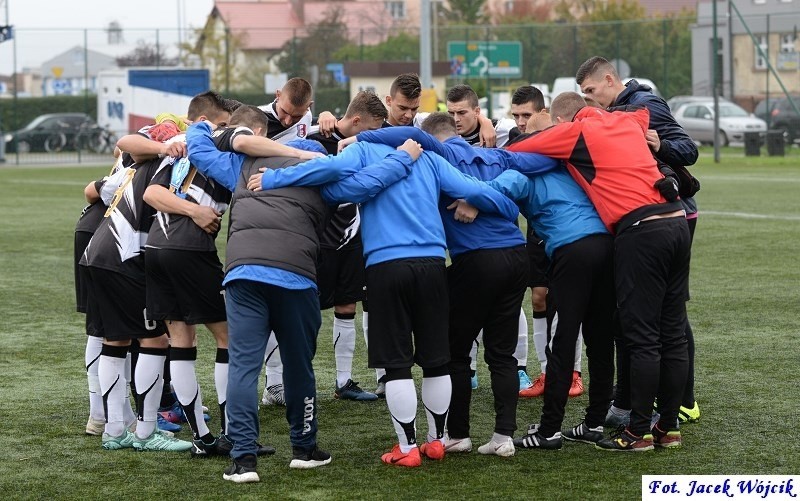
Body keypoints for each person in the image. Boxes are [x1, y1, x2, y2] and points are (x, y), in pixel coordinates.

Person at [251, 133, 520, 467]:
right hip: (433, 264)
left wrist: (275, 177)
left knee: (396, 364)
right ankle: (436, 442)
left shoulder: (363, 151)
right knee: (437, 360)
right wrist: (508, 208)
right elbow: (476, 191)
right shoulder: (430, 157)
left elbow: (328, 173)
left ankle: (407, 448)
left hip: (385, 265)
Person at [353, 112, 558, 457]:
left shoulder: (438, 155)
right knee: (502, 353)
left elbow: (401, 133)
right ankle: (503, 436)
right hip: (515, 256)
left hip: (476, 260)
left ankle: (457, 433)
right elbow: (521, 188)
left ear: (430, 138)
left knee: (452, 350)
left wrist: (358, 138)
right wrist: (487, 199)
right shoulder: (498, 155)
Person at [507, 92, 691, 451]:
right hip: (677, 220)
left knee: (640, 338)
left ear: (563, 121)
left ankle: (634, 432)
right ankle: (666, 428)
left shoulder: (575, 132)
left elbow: (517, 153)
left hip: (639, 230)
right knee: (670, 334)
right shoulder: (626, 119)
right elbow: (641, 116)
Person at [81, 91, 234, 453]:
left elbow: (124, 153)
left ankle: (113, 428)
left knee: (114, 340)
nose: (225, 134)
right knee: (156, 341)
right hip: (125, 252)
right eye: (224, 126)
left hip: (100, 250)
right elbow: (128, 146)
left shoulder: (163, 150)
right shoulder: (178, 145)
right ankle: (146, 431)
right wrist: (169, 149)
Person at [576, 56, 701, 426]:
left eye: (591, 90)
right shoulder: (617, 109)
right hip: (648, 215)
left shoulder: (644, 105)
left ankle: (681, 401)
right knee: (652, 312)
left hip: (670, 211)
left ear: (610, 79)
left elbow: (688, 150)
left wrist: (660, 144)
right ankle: (638, 400)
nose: (589, 99)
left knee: (667, 313)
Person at [484, 119, 616, 452]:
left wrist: (467, 200)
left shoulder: (520, 171)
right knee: (601, 339)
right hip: (606, 244)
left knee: (562, 339)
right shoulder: (564, 164)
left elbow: (491, 192)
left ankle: (549, 430)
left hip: (573, 250)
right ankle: (596, 421)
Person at [444, 84, 535, 394]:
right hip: (467, 242)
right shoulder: (443, 139)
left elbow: (519, 172)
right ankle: (467, 369)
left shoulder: (505, 130)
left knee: (509, 309)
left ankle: (521, 369)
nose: (456, 118)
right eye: (451, 112)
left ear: (478, 111)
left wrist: (477, 199)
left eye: (463, 112)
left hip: (500, 231)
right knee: (468, 310)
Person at [306, 91, 388, 401]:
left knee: (347, 307)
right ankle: (280, 383)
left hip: (352, 241)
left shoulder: (369, 144)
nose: (375, 136)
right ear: (355, 121)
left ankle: (344, 382)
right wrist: (318, 116)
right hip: (316, 242)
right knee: (303, 312)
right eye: (371, 129)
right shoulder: (316, 136)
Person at [509, 85, 585, 400]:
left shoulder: (561, 138)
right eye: (515, 115)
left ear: (544, 114)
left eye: (527, 115)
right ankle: (546, 372)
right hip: (538, 228)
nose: (521, 121)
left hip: (568, 229)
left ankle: (573, 373)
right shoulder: (515, 139)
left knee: (566, 302)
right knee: (539, 298)